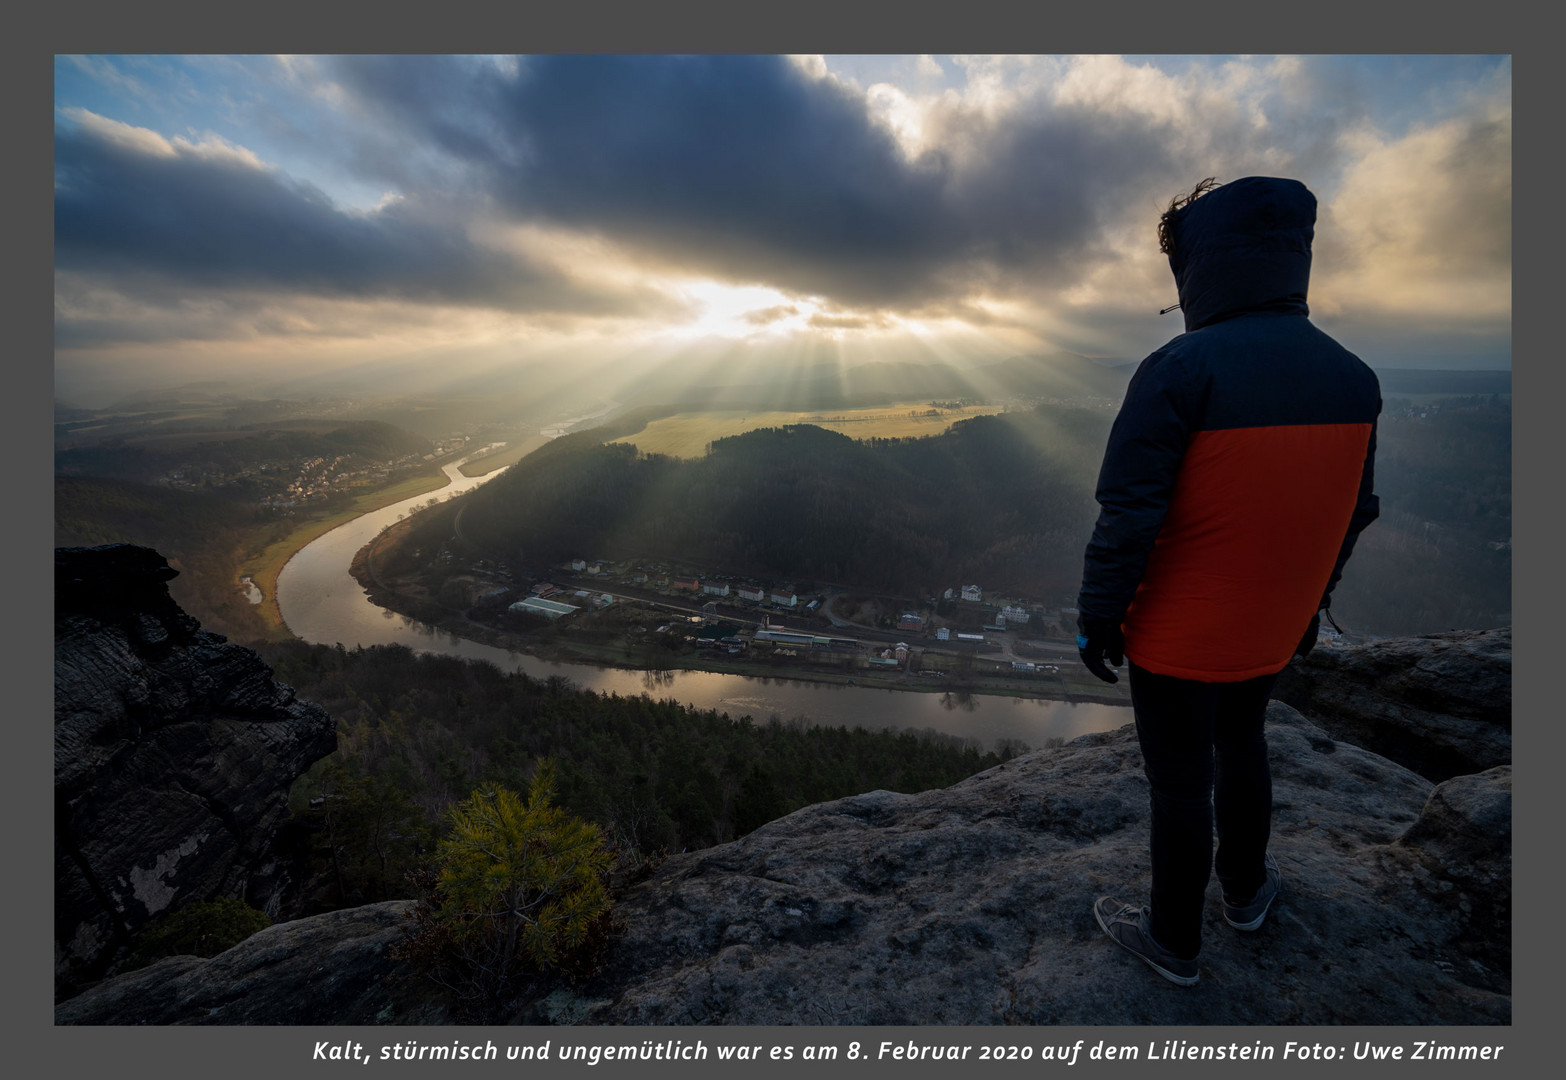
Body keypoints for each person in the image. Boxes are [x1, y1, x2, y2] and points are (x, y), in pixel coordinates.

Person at [1076, 176, 1381, 985]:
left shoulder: (1179, 369)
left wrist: (1099, 617)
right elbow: (1352, 511)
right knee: (1242, 743)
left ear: (1202, 267)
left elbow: (1128, 514)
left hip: (1179, 634)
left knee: (1181, 782)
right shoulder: (1355, 378)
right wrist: (1313, 603)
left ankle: (1173, 940)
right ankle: (1246, 893)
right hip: (1273, 625)